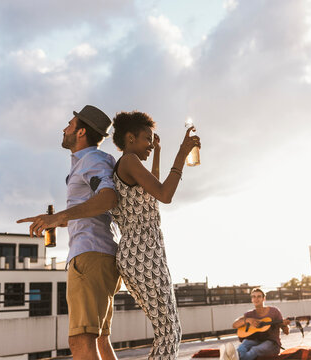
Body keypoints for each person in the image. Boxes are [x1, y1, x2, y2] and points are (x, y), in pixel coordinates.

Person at [17, 105, 121, 360]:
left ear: (81, 131)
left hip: (89, 257)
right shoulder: (97, 160)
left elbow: (108, 198)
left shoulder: (92, 161)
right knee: (101, 340)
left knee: (80, 341)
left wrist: (61, 216)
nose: (64, 129)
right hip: (101, 254)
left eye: (70, 125)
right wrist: (57, 221)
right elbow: (95, 209)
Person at [109, 111, 200, 359]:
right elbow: (165, 194)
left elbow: (152, 188)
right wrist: (181, 154)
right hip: (142, 255)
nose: (150, 143)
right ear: (130, 138)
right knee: (170, 332)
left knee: (168, 329)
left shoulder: (130, 165)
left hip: (144, 253)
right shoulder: (128, 161)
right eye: (147, 139)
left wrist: (158, 152)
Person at [221, 288, 290, 360]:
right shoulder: (250, 314)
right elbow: (234, 325)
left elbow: (286, 332)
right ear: (252, 299)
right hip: (255, 341)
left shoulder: (274, 311)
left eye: (259, 296)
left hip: (272, 343)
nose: (256, 299)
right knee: (243, 346)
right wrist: (248, 320)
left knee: (255, 350)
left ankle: (230, 357)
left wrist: (284, 325)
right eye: (254, 296)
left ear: (264, 299)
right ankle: (232, 356)